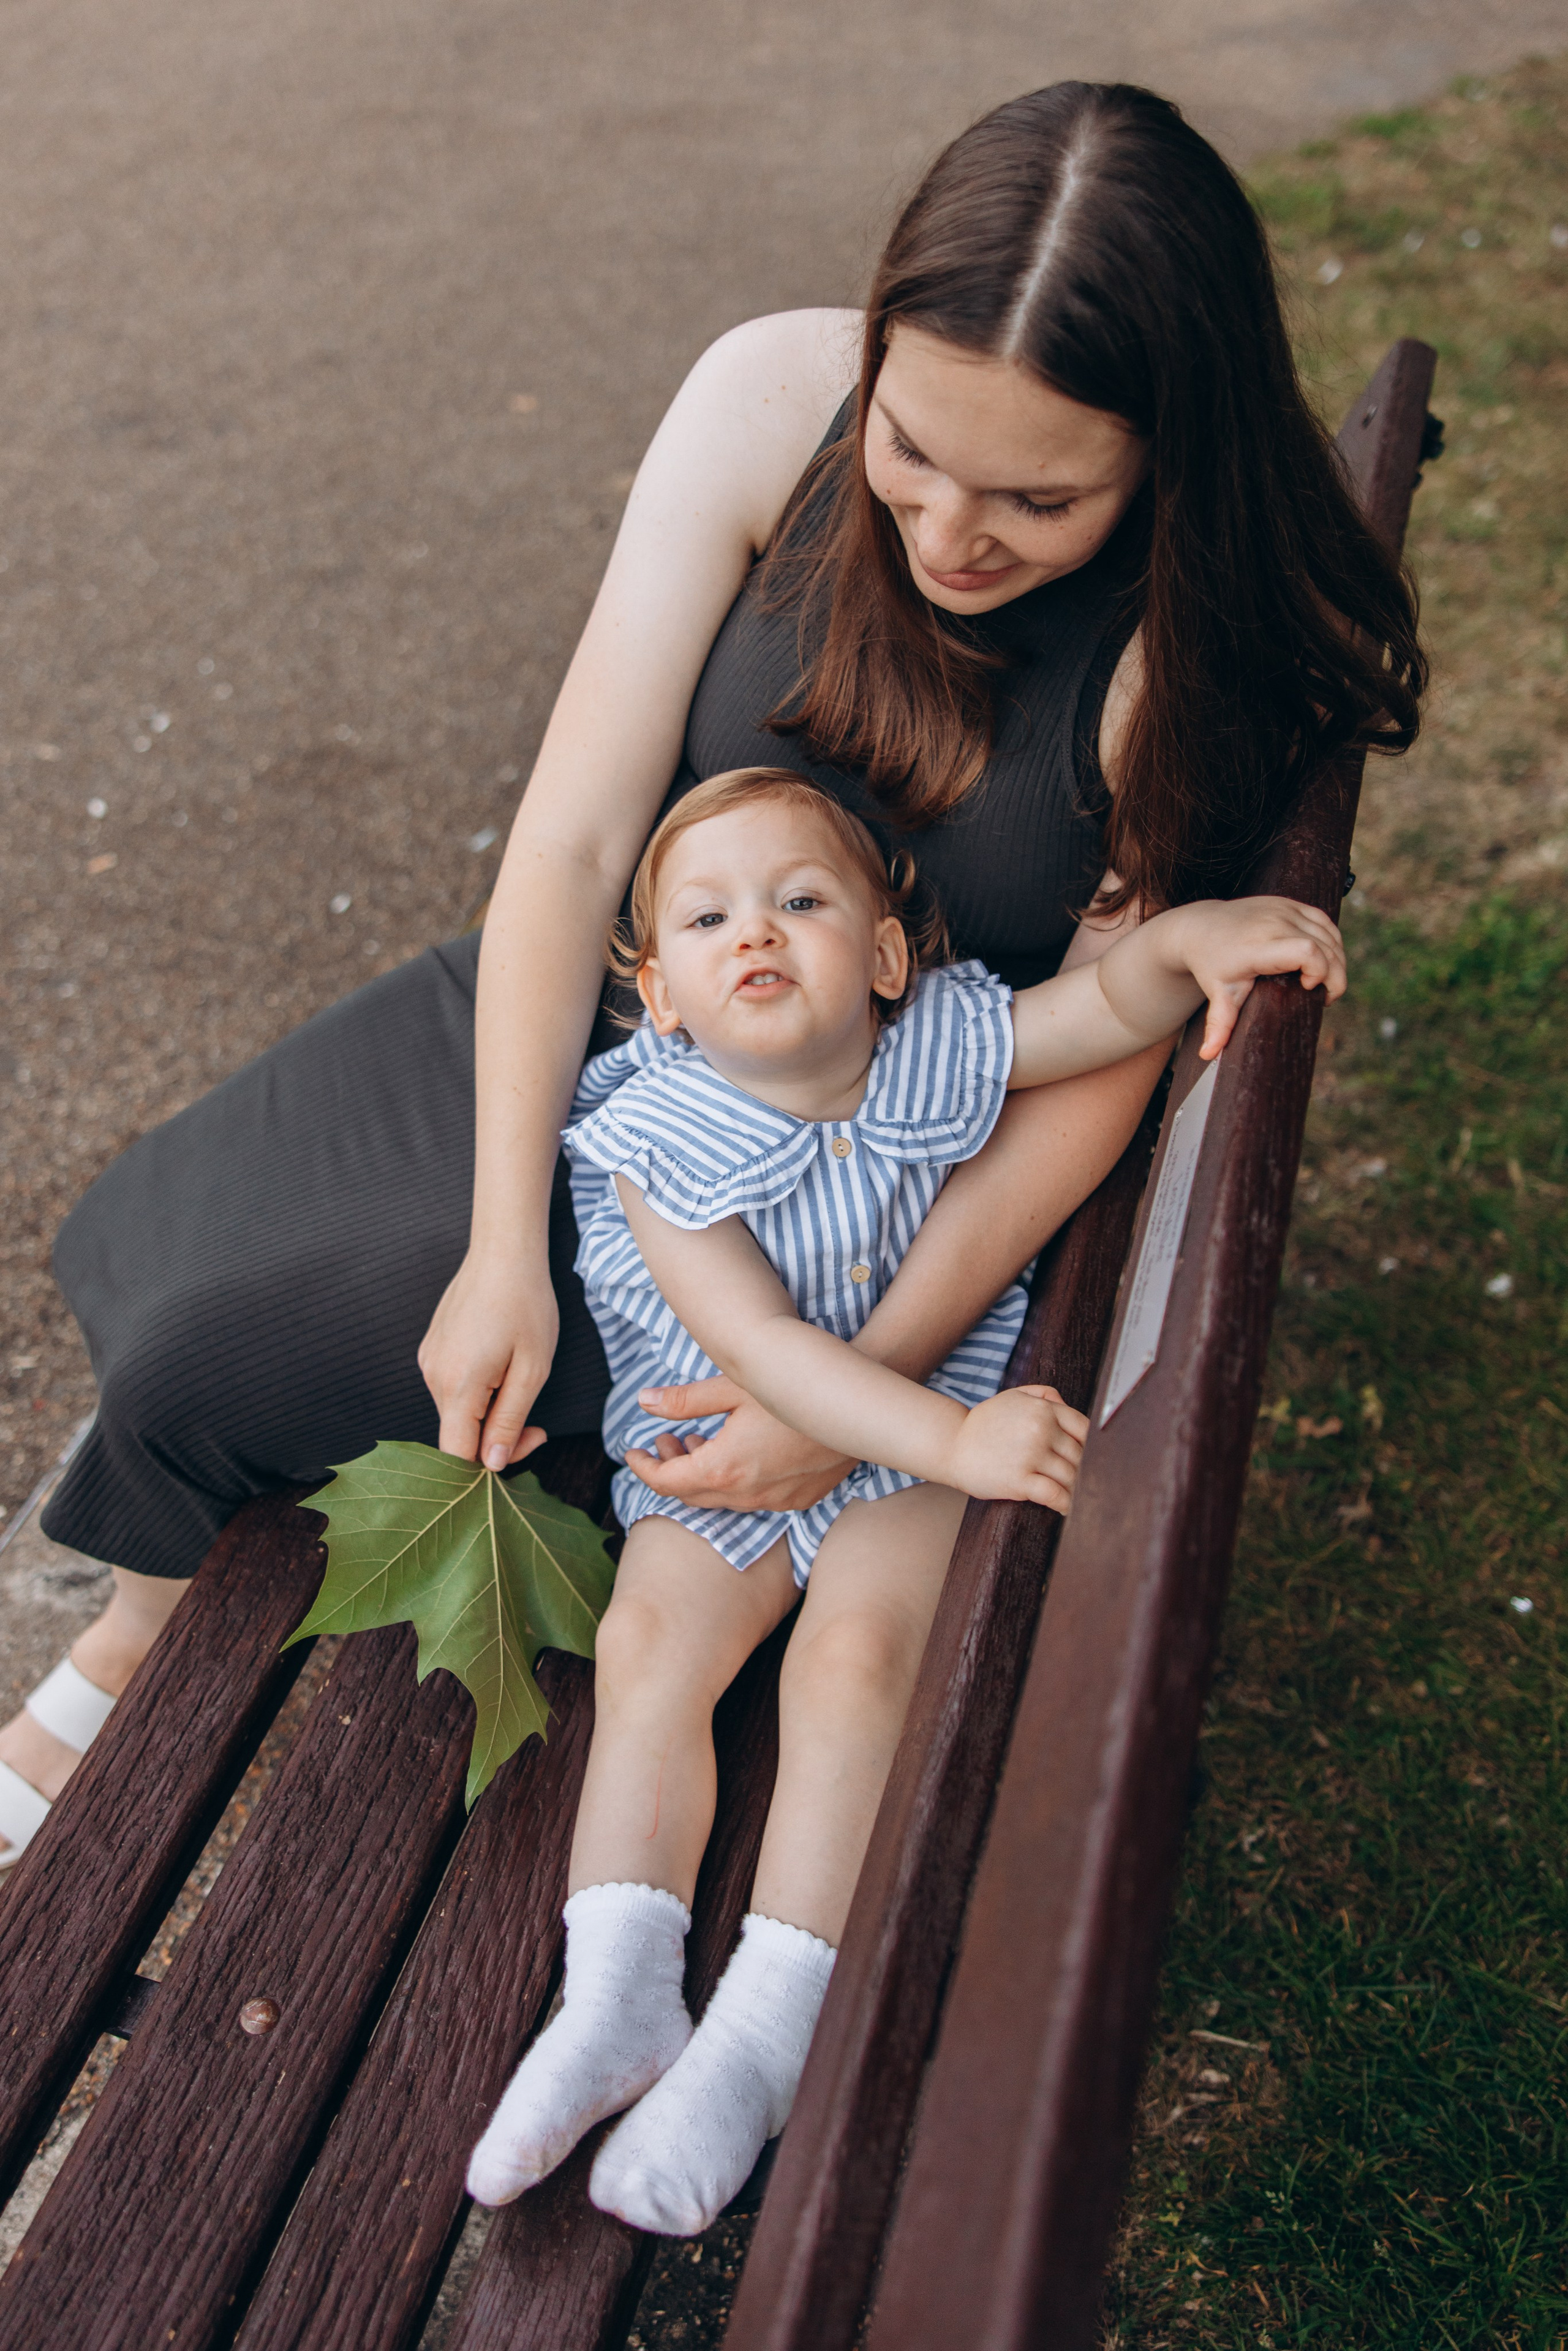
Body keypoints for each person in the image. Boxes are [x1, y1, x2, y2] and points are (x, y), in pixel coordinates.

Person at [3, 76, 1421, 1959]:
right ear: (878, 348)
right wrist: (508, 1236)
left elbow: (1095, 1076)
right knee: (201, 1340)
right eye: (915, 447)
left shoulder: (1181, 647)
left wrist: (848, 1400)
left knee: (269, 1359)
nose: (949, 528)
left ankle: (113, 1670)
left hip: (839, 1187)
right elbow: (581, 829)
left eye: (1041, 496)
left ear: (1171, 451)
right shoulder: (770, 396)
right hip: (619, 1045)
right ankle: (138, 1626)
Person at [461, 764, 1344, 2232]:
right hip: (735, 1445)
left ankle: (766, 2026)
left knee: (858, 1658)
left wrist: (1181, 945)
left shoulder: (933, 1041)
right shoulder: (656, 1145)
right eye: (705, 915)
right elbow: (764, 1353)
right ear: (662, 994)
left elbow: (1096, 1011)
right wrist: (956, 1444)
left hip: (910, 1440)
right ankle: (614, 1988)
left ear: (882, 958)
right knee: (650, 1650)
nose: (755, 928)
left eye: (800, 899)